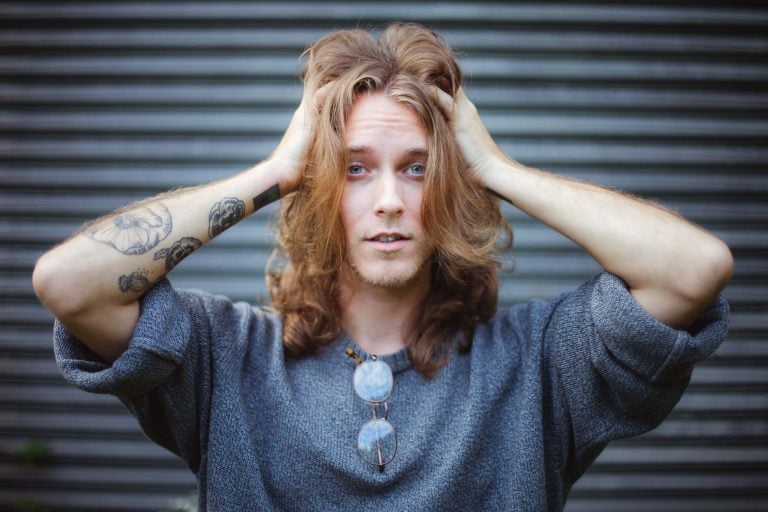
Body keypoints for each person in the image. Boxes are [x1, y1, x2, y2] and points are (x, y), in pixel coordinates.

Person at [32, 22, 732, 511]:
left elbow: (694, 269)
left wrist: (496, 168)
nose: (391, 201)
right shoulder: (226, 359)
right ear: (319, 185)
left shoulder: (540, 363)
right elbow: (67, 284)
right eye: (357, 170)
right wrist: (277, 170)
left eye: (418, 169)